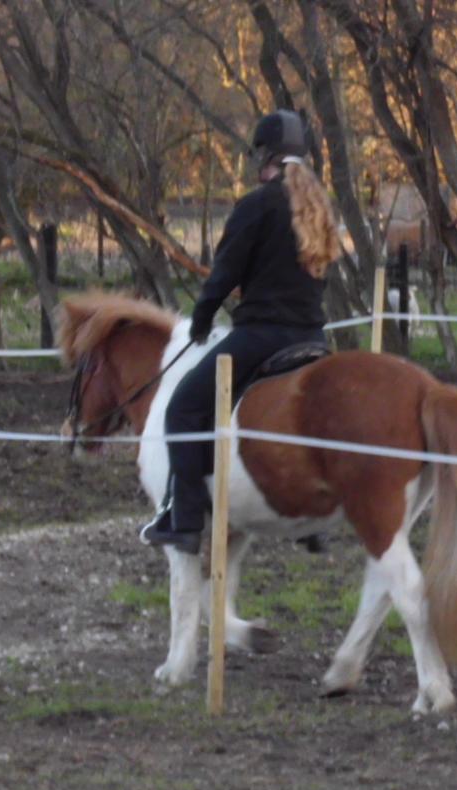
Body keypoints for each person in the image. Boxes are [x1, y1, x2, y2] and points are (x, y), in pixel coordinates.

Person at [140, 109, 341, 554]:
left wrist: (203, 317)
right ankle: (311, 521)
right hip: (312, 338)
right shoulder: (319, 206)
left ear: (264, 157)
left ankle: (185, 520)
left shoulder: (256, 204)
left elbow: (225, 273)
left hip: (262, 336)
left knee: (184, 409)